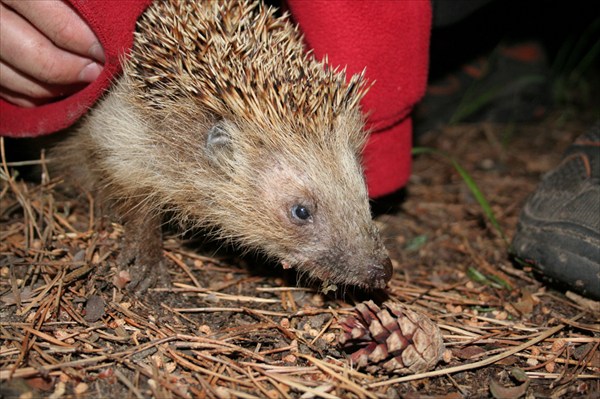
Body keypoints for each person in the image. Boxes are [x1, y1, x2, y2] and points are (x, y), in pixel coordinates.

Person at [0, 1, 597, 298]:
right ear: (218, 149)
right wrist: (144, 239)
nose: (372, 268)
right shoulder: (164, 139)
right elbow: (124, 164)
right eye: (302, 213)